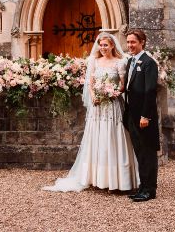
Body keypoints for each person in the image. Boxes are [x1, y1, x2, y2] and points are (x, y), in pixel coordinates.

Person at [43, 32, 139, 192]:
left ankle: (118, 180)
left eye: (106, 45)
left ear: (112, 46)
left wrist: (113, 93)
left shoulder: (120, 62)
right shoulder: (94, 61)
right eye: (101, 45)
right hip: (98, 107)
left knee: (113, 136)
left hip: (113, 105)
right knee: (98, 137)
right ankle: (97, 177)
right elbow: (90, 83)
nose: (103, 48)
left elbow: (123, 85)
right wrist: (95, 96)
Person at [123, 29, 163, 202]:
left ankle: (149, 190)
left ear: (142, 42)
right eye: (128, 42)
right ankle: (142, 186)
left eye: (133, 42)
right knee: (140, 153)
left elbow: (150, 90)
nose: (130, 45)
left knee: (148, 152)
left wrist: (145, 116)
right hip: (132, 115)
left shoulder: (149, 63)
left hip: (144, 117)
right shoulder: (130, 61)